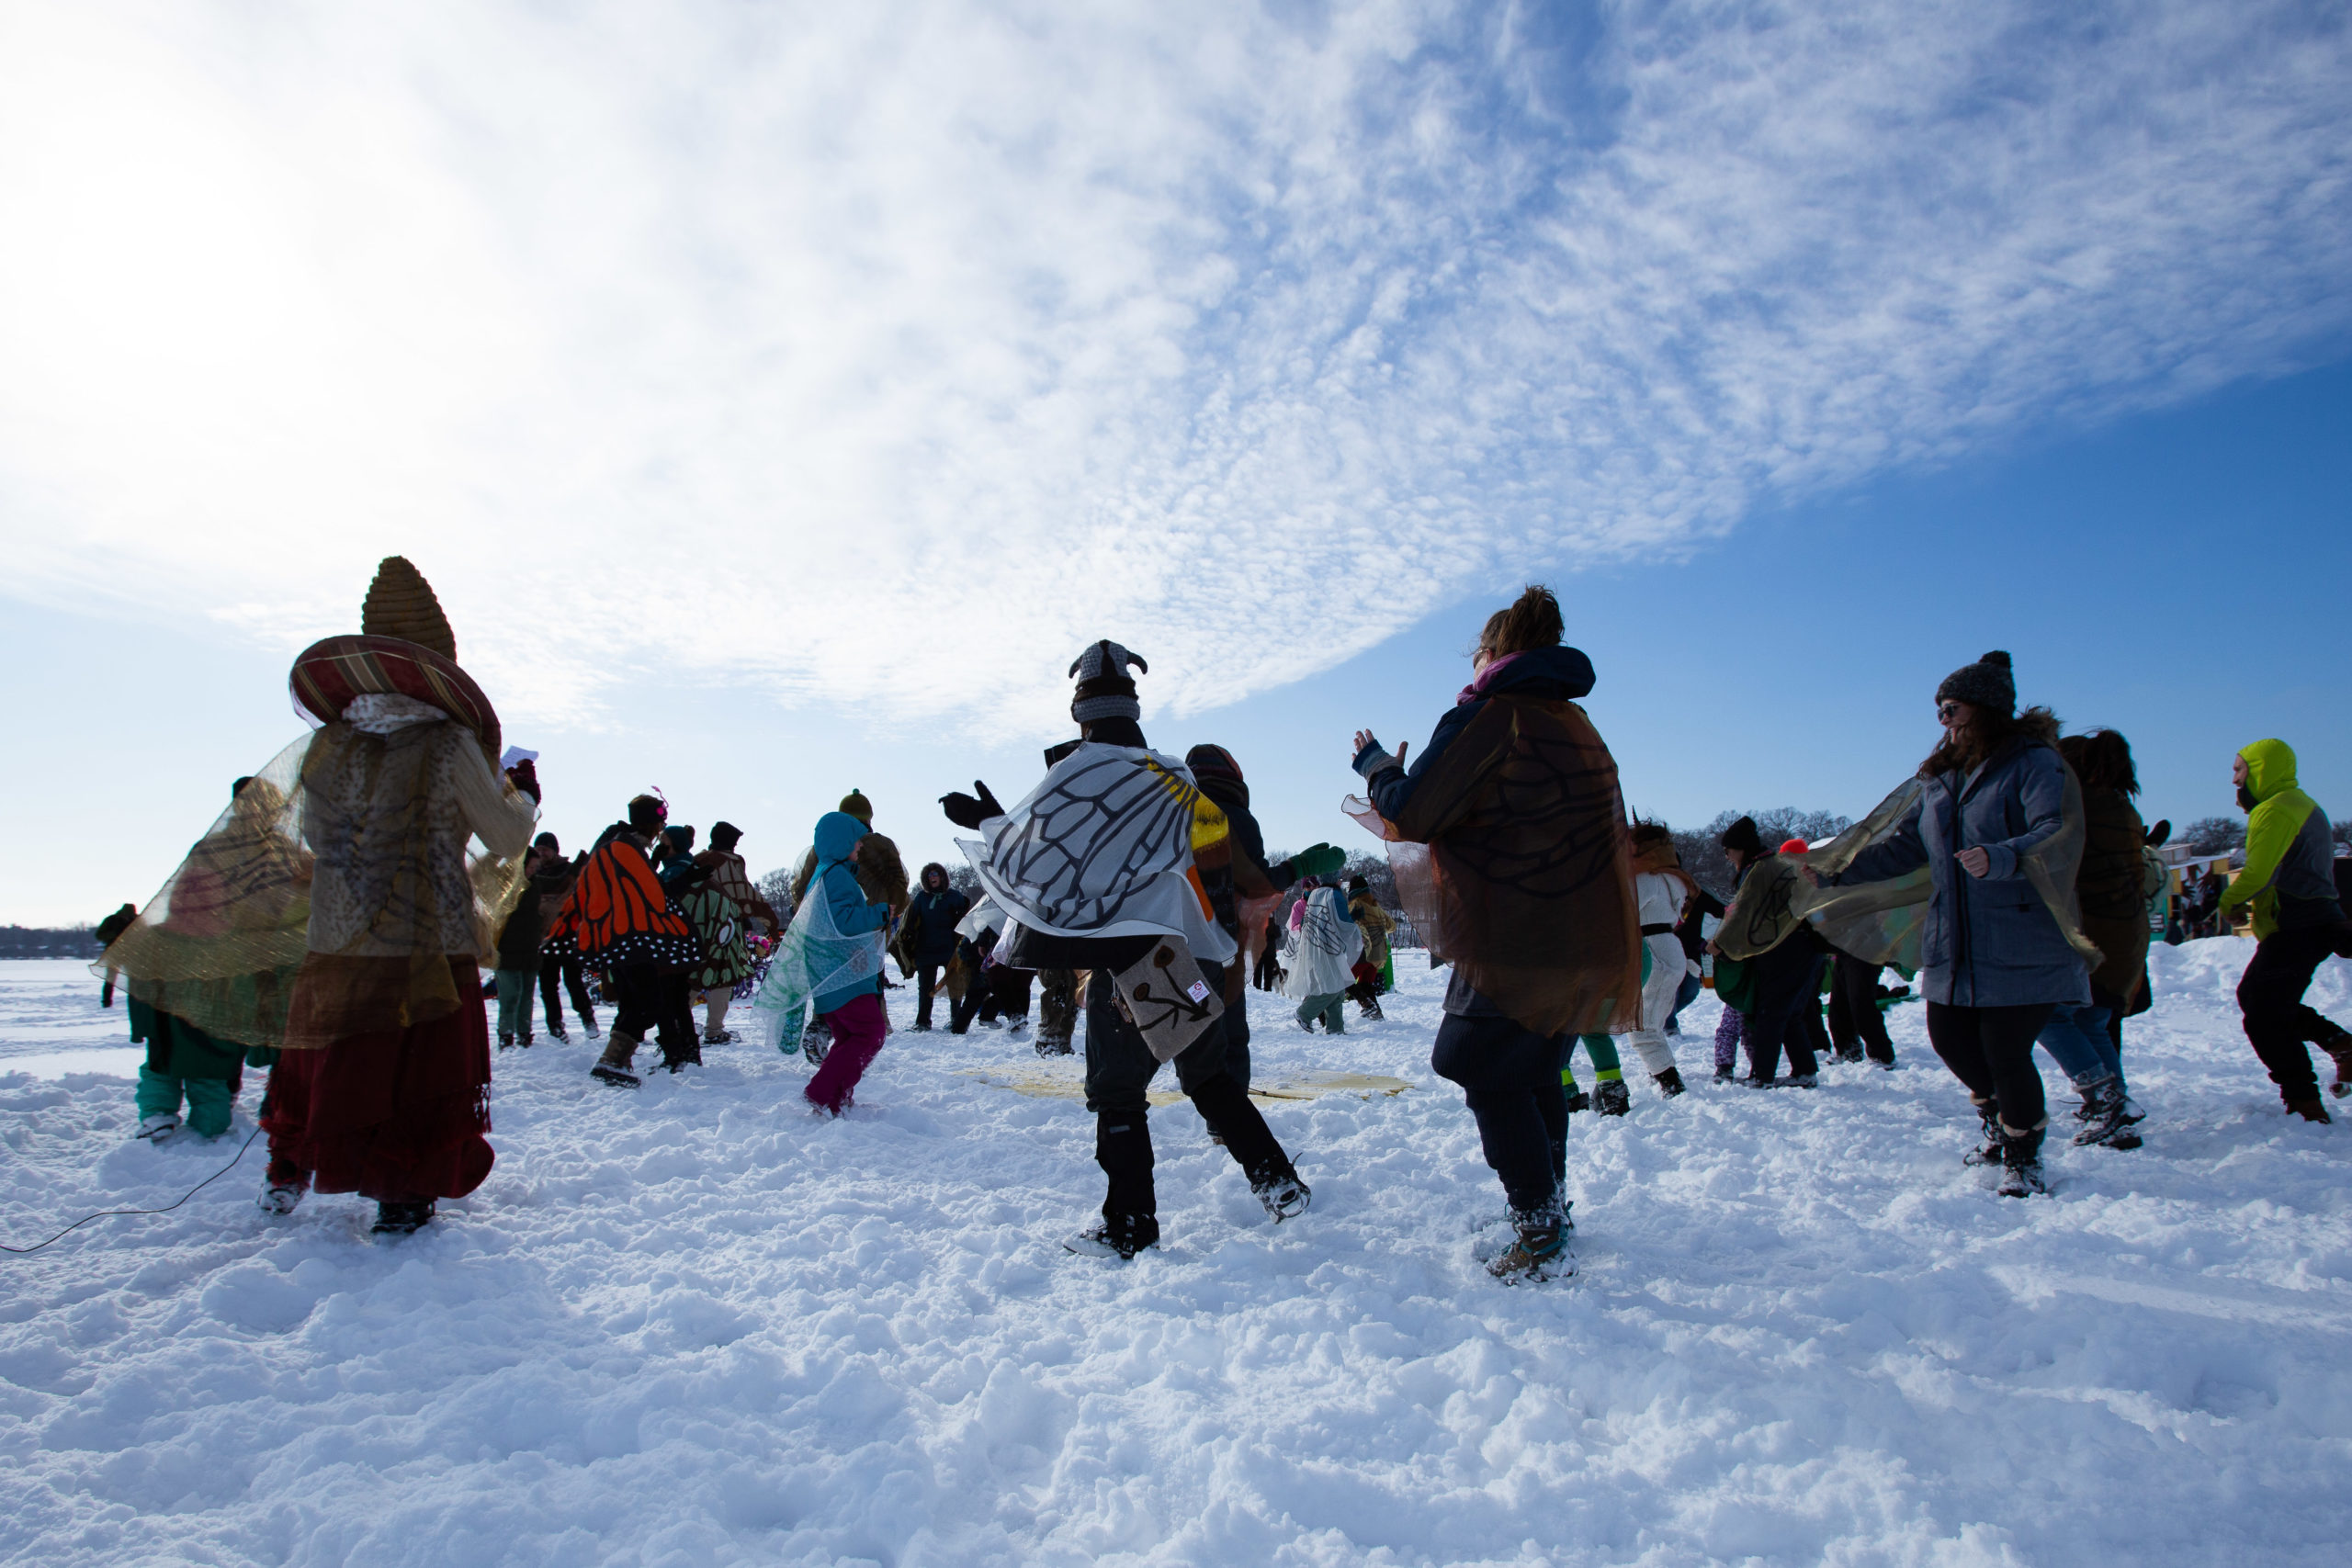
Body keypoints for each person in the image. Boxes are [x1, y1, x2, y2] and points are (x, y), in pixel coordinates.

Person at [945, 641, 1312, 1260]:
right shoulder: (1174, 778)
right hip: (1186, 956)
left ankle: (1130, 1225)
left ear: (1078, 710)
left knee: (1117, 1094)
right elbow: (1224, 865)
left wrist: (986, 819)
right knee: (1209, 1079)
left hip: (1124, 965)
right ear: (1133, 706)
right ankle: (1278, 1182)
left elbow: (1033, 861)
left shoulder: (1075, 772)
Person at [1350, 585, 1640, 1280]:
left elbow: (1418, 809)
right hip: (1580, 932)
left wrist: (1378, 768)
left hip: (1516, 934)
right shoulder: (1574, 724)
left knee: (1474, 1059)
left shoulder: (1489, 715)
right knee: (1535, 1068)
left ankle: (1538, 1226)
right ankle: (1547, 1207)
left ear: (1493, 654)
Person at [268, 557, 539, 1234]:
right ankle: (402, 1191)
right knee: (417, 1070)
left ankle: (289, 1171)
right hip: (426, 935)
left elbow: (313, 832)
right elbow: (506, 838)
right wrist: (525, 793)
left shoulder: (330, 744)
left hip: (338, 935)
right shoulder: (449, 744)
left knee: (334, 1059)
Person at [1815, 651, 2092, 1196]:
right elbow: (1903, 849)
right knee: (1950, 1040)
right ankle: (2000, 1122)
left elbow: (2057, 829)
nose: (1944, 721)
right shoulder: (1941, 780)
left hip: (2020, 935)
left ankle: (2023, 1154)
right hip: (1954, 938)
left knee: (2005, 1051)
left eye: (1952, 708)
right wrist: (1836, 870)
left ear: (1986, 707)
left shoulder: (2033, 763)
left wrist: (2004, 855)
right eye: (1939, 711)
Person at [1184, 743, 1340, 1093]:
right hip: (1222, 943)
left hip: (1172, 942)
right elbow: (1256, 884)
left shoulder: (1174, 812)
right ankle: (1227, 1114)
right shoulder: (1236, 817)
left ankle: (1122, 1109)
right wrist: (1297, 867)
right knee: (1230, 1034)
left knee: (1171, 1024)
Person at [2218, 739, 2352, 1120]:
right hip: (2316, 919)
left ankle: (2304, 1101)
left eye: (2239, 770)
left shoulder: (2275, 809)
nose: (2235, 780)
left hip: (2299, 922)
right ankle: (2340, 1045)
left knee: (2262, 1011)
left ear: (2261, 771)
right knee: (2264, 1001)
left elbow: (2259, 873)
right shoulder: (2303, 804)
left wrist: (2229, 901)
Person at [2033, 731, 2152, 1147]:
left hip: (2094, 936)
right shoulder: (2121, 806)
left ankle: (2105, 1101)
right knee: (2092, 1019)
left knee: (2044, 1013)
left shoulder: (2078, 808)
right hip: (2126, 935)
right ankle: (2114, 1111)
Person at [573, 795, 706, 1087]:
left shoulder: (617, 845)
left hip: (617, 938)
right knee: (647, 1001)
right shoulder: (626, 849)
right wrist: (683, 879)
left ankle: (618, 1060)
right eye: (660, 822)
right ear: (651, 823)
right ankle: (612, 1060)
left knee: (635, 1001)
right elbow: (654, 898)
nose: (661, 828)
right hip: (630, 939)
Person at [1714, 820, 1829, 1089]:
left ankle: (1762, 1075)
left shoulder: (1760, 869)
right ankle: (1804, 1070)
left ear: (1741, 848)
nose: (1727, 856)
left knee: (1771, 1012)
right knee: (1789, 1013)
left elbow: (1745, 913)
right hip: (1805, 947)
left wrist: (1719, 943)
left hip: (1785, 949)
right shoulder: (1772, 865)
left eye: (1728, 850)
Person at [689, 820, 782, 1043]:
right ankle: (714, 1029)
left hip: (696, 929)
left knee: (692, 977)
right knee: (723, 978)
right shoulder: (731, 862)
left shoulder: (698, 860)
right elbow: (746, 894)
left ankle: (678, 1025)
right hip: (725, 931)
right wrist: (771, 923)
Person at [1623, 822, 1695, 1097]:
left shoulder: (1648, 880)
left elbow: (1621, 911)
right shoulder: (1674, 879)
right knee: (1650, 1023)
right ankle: (1661, 1073)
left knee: (1641, 1027)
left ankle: (1671, 1083)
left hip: (1655, 954)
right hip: (1669, 950)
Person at [492, 838, 569, 1049]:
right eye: (532, 867)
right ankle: (505, 1035)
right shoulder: (505, 884)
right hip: (507, 949)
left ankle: (524, 1034)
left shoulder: (535, 882)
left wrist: (578, 866)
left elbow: (559, 883)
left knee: (526, 995)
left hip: (530, 948)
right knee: (510, 996)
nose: (535, 870)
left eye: (537, 867)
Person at [528, 838, 598, 1042]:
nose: (542, 853)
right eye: (538, 849)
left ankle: (588, 1020)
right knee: (548, 986)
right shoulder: (535, 874)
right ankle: (555, 1027)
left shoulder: (570, 870)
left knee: (573, 981)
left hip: (569, 934)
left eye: (545, 849)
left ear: (555, 851)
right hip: (544, 938)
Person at [1283, 883, 1363, 1034]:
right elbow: (1340, 922)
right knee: (1332, 986)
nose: (1310, 888)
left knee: (1338, 988)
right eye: (1307, 885)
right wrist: (1353, 917)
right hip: (1324, 950)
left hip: (1325, 948)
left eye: (1312, 884)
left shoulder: (1318, 896)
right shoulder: (1329, 896)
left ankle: (1335, 1027)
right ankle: (1304, 1014)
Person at [901, 863, 970, 1032]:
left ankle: (957, 1020)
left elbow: (965, 919)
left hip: (950, 949)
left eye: (935, 873)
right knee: (925, 987)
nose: (932, 877)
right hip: (926, 949)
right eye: (929, 874)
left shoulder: (954, 896)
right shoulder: (921, 898)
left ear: (942, 877)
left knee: (955, 985)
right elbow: (911, 921)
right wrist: (908, 938)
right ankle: (923, 1022)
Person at [1345, 874, 1397, 1021]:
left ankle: (1366, 1004)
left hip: (1363, 952)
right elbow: (1392, 926)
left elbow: (1347, 925)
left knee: (1345, 980)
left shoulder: (1355, 905)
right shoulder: (1376, 905)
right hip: (1379, 954)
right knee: (1365, 984)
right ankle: (1377, 1014)